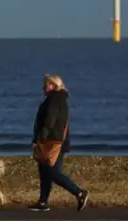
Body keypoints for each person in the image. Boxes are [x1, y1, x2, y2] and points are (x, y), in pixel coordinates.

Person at [29, 74, 89, 212]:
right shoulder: (58, 99)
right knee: (44, 171)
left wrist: (39, 138)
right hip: (56, 141)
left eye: (46, 84)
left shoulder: (55, 100)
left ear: (54, 86)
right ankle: (43, 202)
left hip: (53, 142)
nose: (43, 87)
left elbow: (49, 121)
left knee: (51, 171)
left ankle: (79, 193)